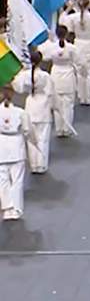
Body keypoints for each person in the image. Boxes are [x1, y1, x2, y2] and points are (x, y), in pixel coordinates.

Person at [12, 52, 53, 174]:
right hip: (43, 107)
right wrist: (54, 107)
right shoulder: (45, 76)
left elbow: (18, 88)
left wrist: (18, 75)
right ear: (41, 61)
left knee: (31, 138)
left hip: (30, 105)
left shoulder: (25, 75)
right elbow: (50, 92)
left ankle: (34, 165)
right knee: (43, 138)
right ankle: (41, 164)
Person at [59, 0, 90, 106]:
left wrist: (67, 9)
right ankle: (89, 97)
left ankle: (82, 97)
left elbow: (62, 23)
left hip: (78, 45)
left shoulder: (73, 17)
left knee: (80, 72)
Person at [38, 26, 77, 138]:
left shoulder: (51, 47)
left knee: (57, 103)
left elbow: (42, 56)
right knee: (68, 104)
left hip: (55, 75)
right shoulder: (71, 48)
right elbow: (77, 61)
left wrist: (49, 40)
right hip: (68, 75)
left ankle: (59, 129)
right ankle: (67, 128)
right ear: (66, 34)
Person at [0, 87, 28, 221]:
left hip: (1, 147)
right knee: (17, 181)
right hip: (16, 147)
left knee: (2, 180)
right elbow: (27, 130)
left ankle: (7, 209)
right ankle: (16, 209)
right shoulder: (20, 112)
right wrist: (33, 141)